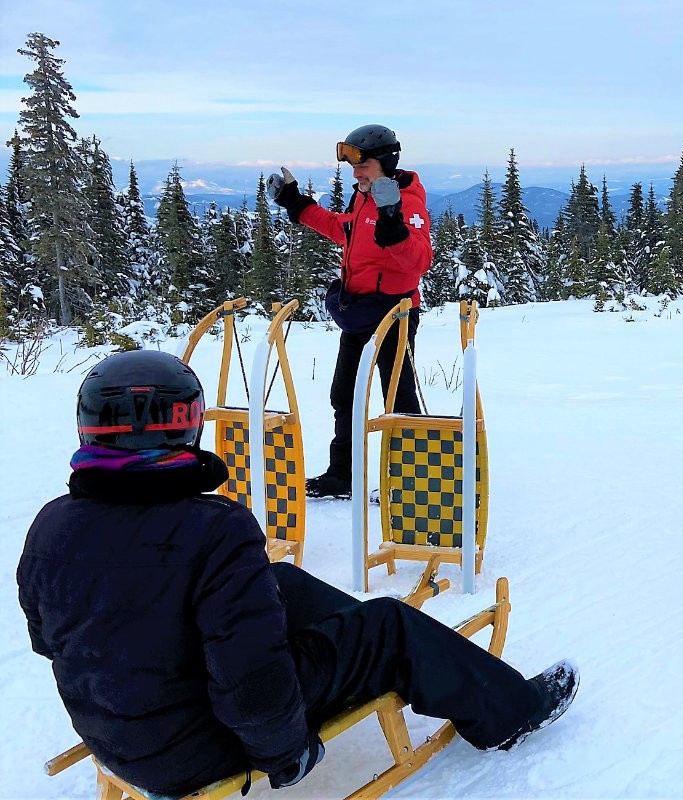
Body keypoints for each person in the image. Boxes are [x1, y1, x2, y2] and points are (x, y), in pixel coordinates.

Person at [18, 351, 579, 798]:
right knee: (388, 623)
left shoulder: (51, 527)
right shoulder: (214, 529)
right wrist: (285, 754)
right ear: (186, 427)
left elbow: (52, 641)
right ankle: (509, 712)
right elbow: (250, 682)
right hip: (203, 743)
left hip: (113, 732)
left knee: (276, 582)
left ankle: (360, 643)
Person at [268, 124, 433, 498]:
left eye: (364, 165)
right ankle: (343, 475)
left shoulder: (406, 201)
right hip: (358, 311)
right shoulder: (364, 197)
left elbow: (420, 261)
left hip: (396, 315)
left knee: (399, 400)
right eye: (353, 166)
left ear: (387, 163)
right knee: (344, 394)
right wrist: (297, 203)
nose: (356, 173)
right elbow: (344, 229)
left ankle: (413, 482)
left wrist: (396, 231)